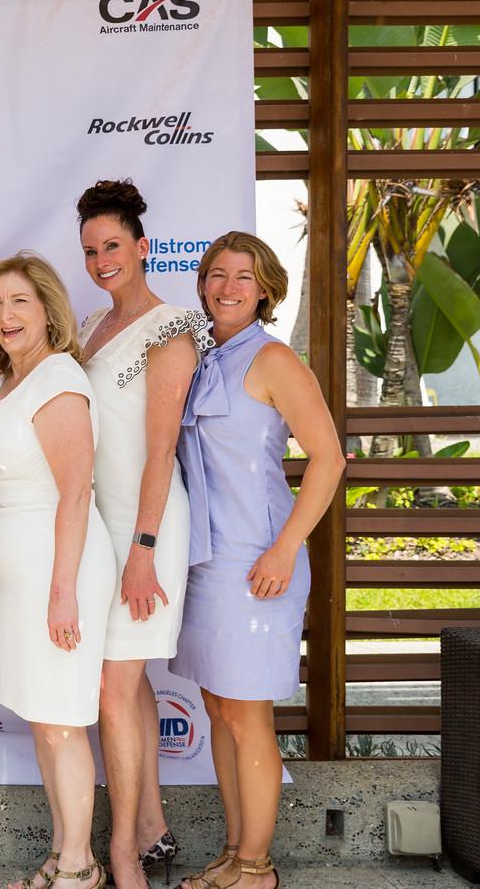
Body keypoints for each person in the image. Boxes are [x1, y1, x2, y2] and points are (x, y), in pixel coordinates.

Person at [168, 232, 344, 889]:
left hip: (259, 562)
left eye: (244, 276)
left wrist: (285, 545)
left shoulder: (274, 360)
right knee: (219, 706)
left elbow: (329, 459)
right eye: (217, 273)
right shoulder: (203, 356)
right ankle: (235, 850)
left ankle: (256, 867)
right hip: (209, 563)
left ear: (265, 288)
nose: (228, 285)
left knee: (248, 715)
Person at [73, 181, 204, 889]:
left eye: (113, 246)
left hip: (146, 525)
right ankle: (151, 825)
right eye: (91, 249)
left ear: (143, 246)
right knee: (127, 681)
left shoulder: (171, 327)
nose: (100, 260)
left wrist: (143, 550)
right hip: (99, 525)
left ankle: (121, 850)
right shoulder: (93, 321)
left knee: (113, 685)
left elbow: (161, 450)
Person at [0, 254, 114, 889]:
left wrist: (63, 593)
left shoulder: (57, 374)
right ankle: (62, 853)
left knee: (61, 719)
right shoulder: (9, 380)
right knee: (43, 716)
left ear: (48, 310)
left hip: (63, 569)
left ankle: (81, 865)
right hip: (22, 566)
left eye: (19, 302)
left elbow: (75, 493)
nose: (6, 315)